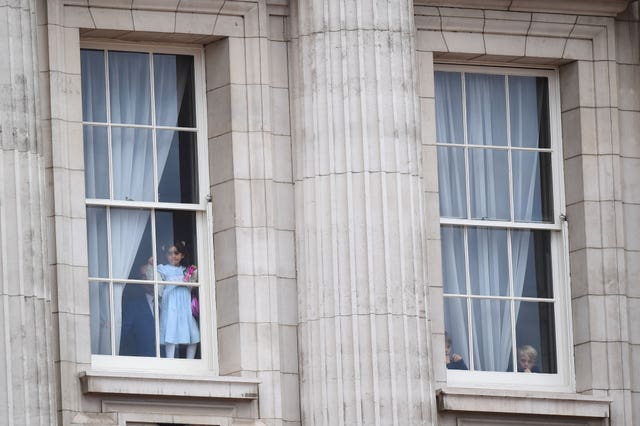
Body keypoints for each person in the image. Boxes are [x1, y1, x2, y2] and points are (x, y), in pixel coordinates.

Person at [147, 241, 200, 359]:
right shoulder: (162, 269)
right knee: (170, 334)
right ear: (166, 255)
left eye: (176, 253)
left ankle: (189, 361)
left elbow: (191, 285)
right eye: (170, 253)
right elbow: (153, 280)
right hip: (171, 304)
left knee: (193, 335)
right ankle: (170, 360)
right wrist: (151, 265)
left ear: (182, 255)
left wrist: (193, 273)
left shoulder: (185, 270)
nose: (173, 256)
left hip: (184, 306)